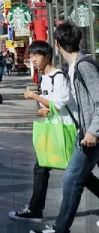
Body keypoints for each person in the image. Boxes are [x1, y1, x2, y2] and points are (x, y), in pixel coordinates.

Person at [10, 40, 92, 222]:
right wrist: (43, 108)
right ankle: (35, 210)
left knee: (81, 175)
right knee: (41, 167)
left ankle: (36, 211)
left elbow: (59, 103)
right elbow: (50, 105)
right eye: (31, 56)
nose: (33, 59)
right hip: (55, 129)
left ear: (47, 56)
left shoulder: (58, 76)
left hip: (67, 130)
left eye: (36, 56)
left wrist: (34, 96)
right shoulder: (45, 78)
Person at [31, 23, 99, 233]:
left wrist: (93, 131)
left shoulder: (83, 66)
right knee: (75, 178)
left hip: (91, 135)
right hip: (85, 133)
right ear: (80, 40)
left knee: (72, 179)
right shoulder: (74, 67)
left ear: (57, 44)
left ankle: (60, 229)